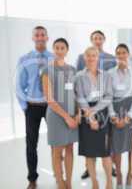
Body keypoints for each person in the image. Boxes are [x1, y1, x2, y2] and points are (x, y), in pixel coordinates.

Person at [16, 26, 54, 189]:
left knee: (56, 142)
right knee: (31, 144)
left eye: (42, 35)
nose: (40, 37)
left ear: (47, 37)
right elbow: (19, 85)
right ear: (33, 38)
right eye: (36, 35)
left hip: (51, 107)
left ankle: (58, 173)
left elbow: (59, 84)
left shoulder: (54, 58)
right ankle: (32, 178)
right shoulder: (24, 59)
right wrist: (25, 107)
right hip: (32, 107)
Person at [76, 30, 117, 179]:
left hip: (102, 108)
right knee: (88, 146)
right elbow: (79, 96)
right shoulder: (80, 72)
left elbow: (109, 94)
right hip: (86, 109)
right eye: (89, 56)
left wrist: (93, 110)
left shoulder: (109, 65)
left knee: (105, 145)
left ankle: (109, 170)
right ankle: (89, 170)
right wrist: (89, 113)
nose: (91, 58)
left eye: (94, 56)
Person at [41, 38, 79, 189]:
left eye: (62, 48)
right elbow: (50, 99)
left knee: (70, 149)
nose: (59, 50)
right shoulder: (47, 70)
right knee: (57, 150)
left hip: (72, 114)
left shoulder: (72, 70)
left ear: (66, 50)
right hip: (57, 116)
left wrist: (77, 115)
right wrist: (67, 118)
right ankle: (60, 183)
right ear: (53, 49)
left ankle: (69, 182)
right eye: (56, 47)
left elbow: (76, 94)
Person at [108, 44, 132, 189]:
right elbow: (107, 96)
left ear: (128, 54)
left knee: (131, 146)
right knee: (116, 147)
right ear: (116, 56)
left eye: (123, 52)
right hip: (115, 110)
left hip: (131, 110)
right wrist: (112, 115)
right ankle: (119, 177)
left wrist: (129, 116)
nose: (121, 55)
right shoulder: (110, 73)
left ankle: (130, 175)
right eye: (118, 53)